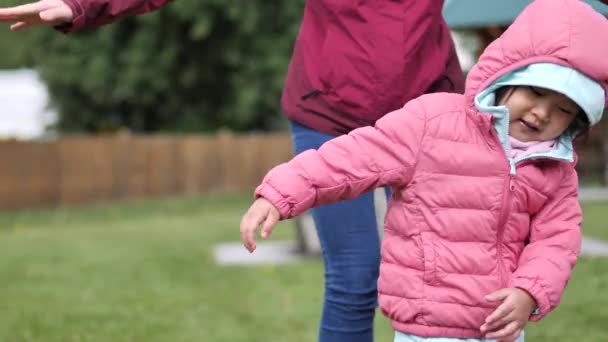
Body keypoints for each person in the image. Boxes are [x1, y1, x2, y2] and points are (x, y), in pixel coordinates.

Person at [0, 1, 465, 341]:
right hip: (330, 115)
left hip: (427, 114)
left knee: (450, 278)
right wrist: (80, 6)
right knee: (355, 277)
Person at [240, 0, 608, 341]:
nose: (542, 113)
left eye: (564, 109)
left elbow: (556, 242)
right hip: (426, 328)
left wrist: (531, 290)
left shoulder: (556, 170)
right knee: (353, 277)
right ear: (508, 77)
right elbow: (352, 159)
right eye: (535, 92)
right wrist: (282, 192)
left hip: (498, 329)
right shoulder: (434, 124)